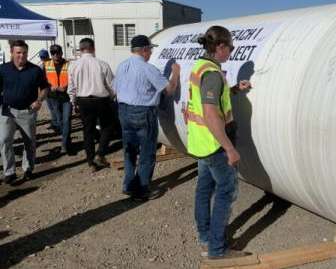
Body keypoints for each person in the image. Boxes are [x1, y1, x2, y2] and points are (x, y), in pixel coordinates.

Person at [187, 26, 254, 265]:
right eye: (231, 47)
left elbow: (210, 99)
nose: (232, 52)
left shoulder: (201, 67)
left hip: (200, 141)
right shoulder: (213, 74)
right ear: (220, 47)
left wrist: (235, 89)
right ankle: (216, 249)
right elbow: (211, 114)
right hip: (214, 143)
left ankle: (205, 238)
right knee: (227, 191)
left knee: (204, 189)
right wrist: (229, 148)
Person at [113, 35, 180, 200]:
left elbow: (114, 89)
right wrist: (175, 73)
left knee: (130, 149)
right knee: (147, 152)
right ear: (144, 50)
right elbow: (169, 90)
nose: (150, 53)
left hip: (123, 111)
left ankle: (128, 185)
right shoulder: (148, 69)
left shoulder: (122, 66)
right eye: (150, 49)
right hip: (143, 112)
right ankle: (142, 189)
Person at [0, 40, 49, 184]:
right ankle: (9, 172)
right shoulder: (3, 69)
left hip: (27, 112)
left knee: (29, 142)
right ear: (12, 53)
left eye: (24, 53)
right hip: (7, 112)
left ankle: (28, 169)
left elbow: (45, 87)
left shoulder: (35, 70)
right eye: (18, 53)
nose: (21, 56)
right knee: (4, 141)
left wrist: (39, 100)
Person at [67, 38, 114, 171]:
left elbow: (71, 88)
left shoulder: (73, 65)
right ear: (93, 48)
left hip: (83, 100)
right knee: (107, 126)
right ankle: (101, 153)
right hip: (101, 99)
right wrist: (113, 96)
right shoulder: (102, 64)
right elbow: (111, 85)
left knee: (88, 130)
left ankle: (90, 161)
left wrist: (73, 102)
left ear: (80, 49)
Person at [44, 44, 72, 154]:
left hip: (66, 97)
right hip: (53, 97)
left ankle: (64, 145)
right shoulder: (46, 65)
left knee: (66, 120)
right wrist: (50, 87)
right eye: (53, 53)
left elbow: (74, 78)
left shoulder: (69, 65)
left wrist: (66, 86)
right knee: (60, 121)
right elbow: (42, 81)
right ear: (51, 54)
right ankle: (67, 139)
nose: (56, 55)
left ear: (61, 53)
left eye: (57, 52)